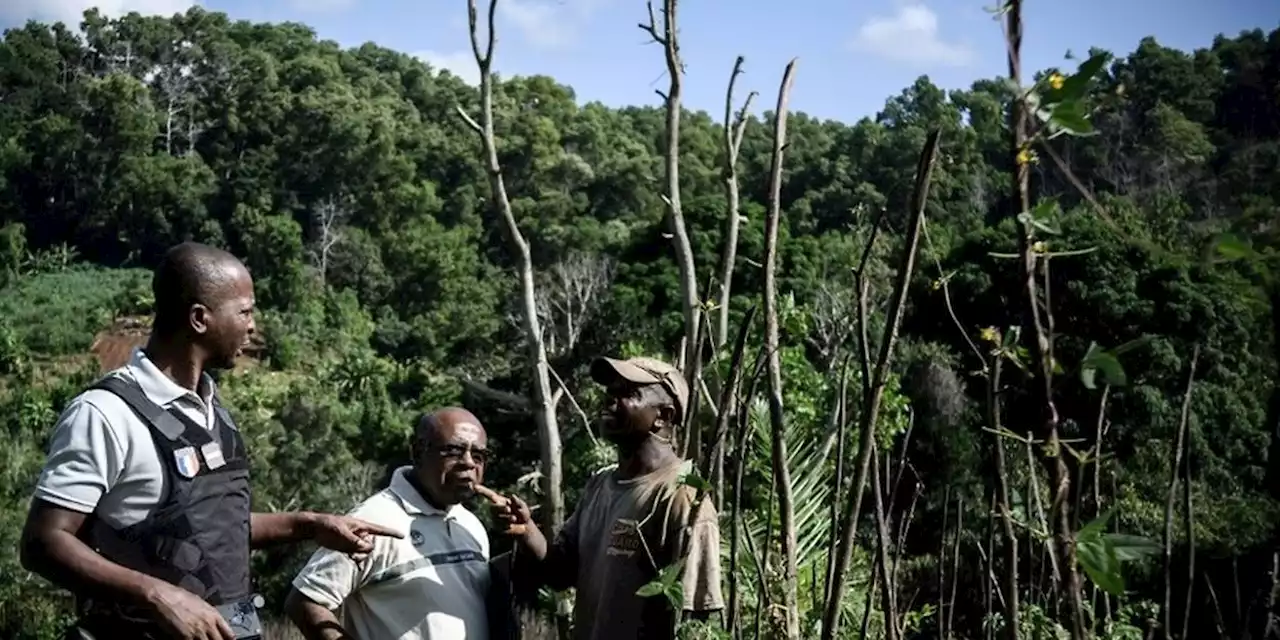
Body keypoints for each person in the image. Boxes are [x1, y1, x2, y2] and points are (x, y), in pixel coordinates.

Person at [19, 242, 403, 640]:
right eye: (245, 311)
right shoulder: (105, 414)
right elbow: (43, 542)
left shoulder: (210, 406)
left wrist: (309, 525)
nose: (253, 325)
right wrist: (156, 595)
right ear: (200, 319)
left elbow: (206, 529)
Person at [490, 356, 725, 640]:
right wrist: (526, 530)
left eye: (627, 394)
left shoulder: (682, 498)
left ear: (664, 416)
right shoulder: (600, 486)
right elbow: (561, 573)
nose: (609, 402)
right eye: (609, 393)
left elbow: (696, 623)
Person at [285, 407, 495, 640]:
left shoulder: (470, 525)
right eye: (453, 451)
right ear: (417, 452)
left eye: (478, 456)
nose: (468, 463)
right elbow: (304, 601)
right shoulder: (375, 520)